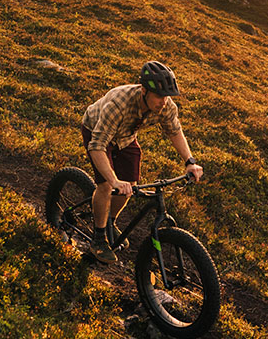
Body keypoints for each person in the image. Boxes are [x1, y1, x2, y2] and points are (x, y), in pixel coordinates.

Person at [81, 61, 203, 263]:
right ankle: (98, 238)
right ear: (143, 91)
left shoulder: (165, 105)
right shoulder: (118, 104)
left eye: (166, 96)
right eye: (158, 96)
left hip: (126, 136)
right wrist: (113, 180)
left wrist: (189, 161)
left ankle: (110, 221)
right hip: (97, 132)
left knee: (131, 184)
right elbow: (97, 147)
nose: (163, 102)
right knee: (105, 186)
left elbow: (174, 131)